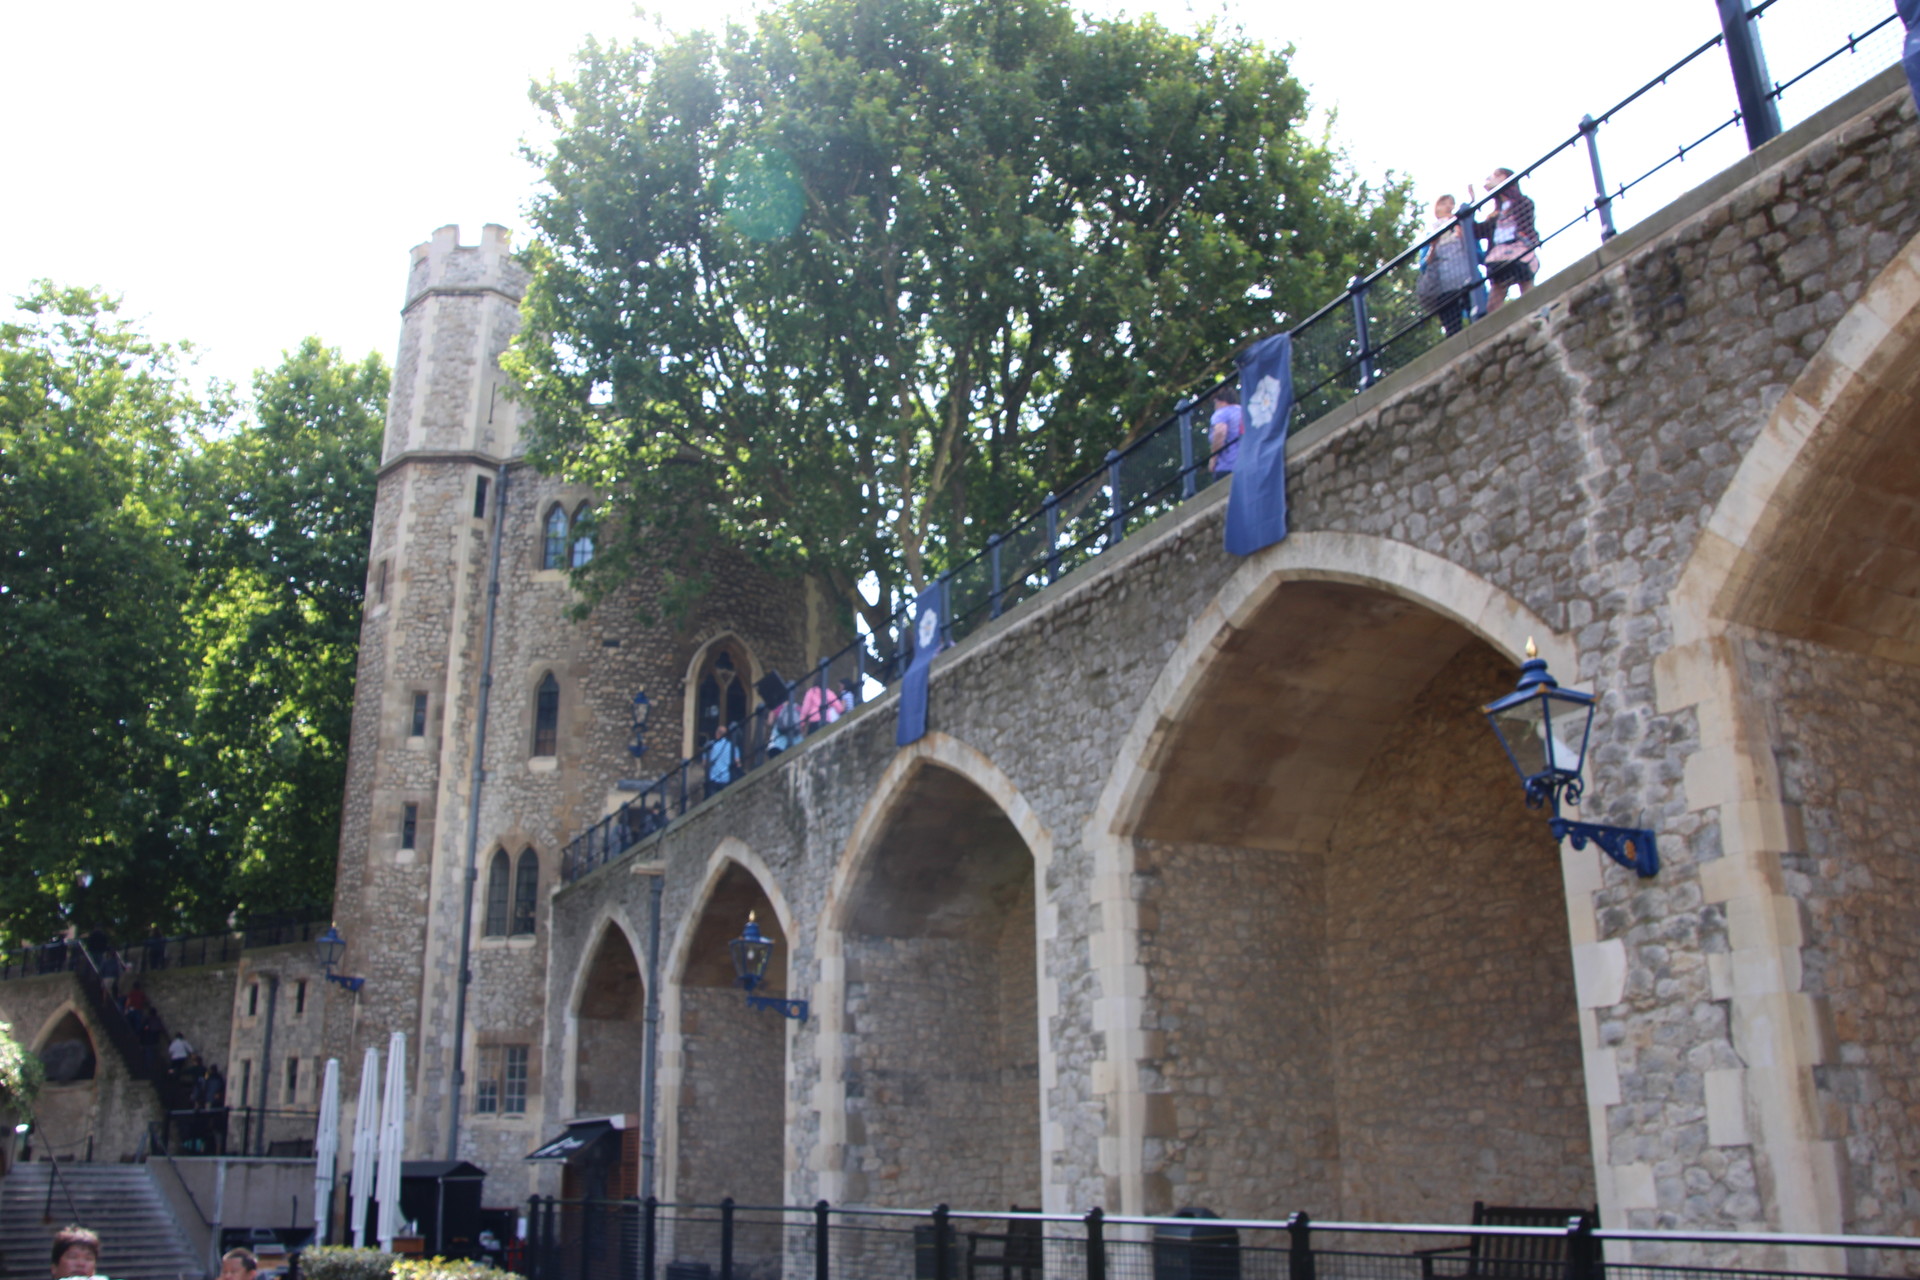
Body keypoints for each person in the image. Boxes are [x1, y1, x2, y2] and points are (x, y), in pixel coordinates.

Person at [1472, 168, 1540, 313]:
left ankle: (1535, 317)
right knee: (1494, 300)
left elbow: (1526, 225)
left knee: (1526, 287)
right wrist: (1471, 206)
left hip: (1519, 251)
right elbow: (1476, 231)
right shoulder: (1494, 215)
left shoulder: (1523, 202)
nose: (1491, 178)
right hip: (1499, 256)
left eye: (1497, 175)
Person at [1415, 193, 1481, 336]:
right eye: (1444, 203)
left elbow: (1476, 253)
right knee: (1452, 328)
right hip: (1444, 286)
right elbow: (1424, 265)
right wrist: (1433, 246)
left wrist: (1464, 234)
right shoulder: (1431, 234)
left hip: (1468, 280)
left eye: (1451, 203)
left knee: (1478, 319)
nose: (1449, 206)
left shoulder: (1461, 226)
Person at [1208, 388, 1244, 476]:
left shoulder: (1221, 413)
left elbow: (1220, 432)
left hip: (1227, 466)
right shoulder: (1244, 411)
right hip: (1247, 462)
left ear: (1218, 401)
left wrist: (1213, 458)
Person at [704, 725, 741, 799]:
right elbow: (738, 764)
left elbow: (704, 763)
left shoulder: (710, 745)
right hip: (726, 779)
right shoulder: (733, 747)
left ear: (717, 733)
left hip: (713, 779)